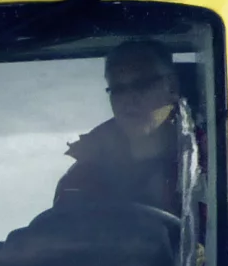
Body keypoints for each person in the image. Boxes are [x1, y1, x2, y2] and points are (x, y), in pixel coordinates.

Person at [53, 40, 189, 215]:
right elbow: (57, 236)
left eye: (141, 84)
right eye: (118, 89)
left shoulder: (208, 164)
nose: (128, 99)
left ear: (172, 87)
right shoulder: (82, 176)